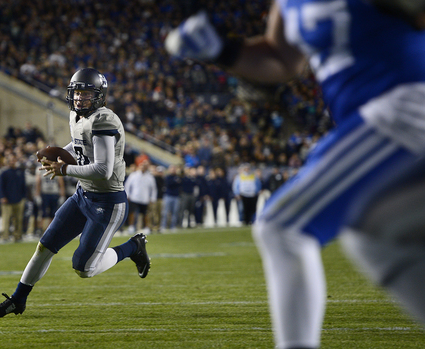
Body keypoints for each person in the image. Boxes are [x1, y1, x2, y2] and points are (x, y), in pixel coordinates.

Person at [166, 3, 425, 349]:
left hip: (407, 102)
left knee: (283, 225)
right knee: (373, 234)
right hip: (373, 115)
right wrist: (222, 50)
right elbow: (282, 60)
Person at [0, 68, 150, 318]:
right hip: (83, 195)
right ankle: (18, 300)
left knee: (84, 268)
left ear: (99, 96)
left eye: (86, 93)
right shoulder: (76, 115)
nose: (80, 98)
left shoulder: (104, 120)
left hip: (107, 201)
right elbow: (79, 143)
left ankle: (133, 247)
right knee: (44, 246)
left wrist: (65, 168)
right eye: (77, 93)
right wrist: (59, 151)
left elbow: (103, 170)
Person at [0, 152, 26, 242]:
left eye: (14, 160)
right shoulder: (4, 173)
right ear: (8, 161)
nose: (13, 161)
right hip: (7, 200)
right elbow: (0, 186)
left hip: (18, 199)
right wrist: (2, 197)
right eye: (11, 160)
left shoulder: (20, 172)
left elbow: (23, 186)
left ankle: (17, 236)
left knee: (18, 219)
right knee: (6, 219)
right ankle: (5, 236)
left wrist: (23, 197)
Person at [124, 160, 157, 234]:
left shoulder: (150, 177)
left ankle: (146, 227)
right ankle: (131, 227)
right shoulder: (134, 175)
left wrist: (152, 198)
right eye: (141, 166)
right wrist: (127, 194)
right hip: (134, 197)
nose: (143, 167)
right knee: (132, 213)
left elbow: (153, 188)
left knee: (145, 214)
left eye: (144, 166)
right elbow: (128, 185)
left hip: (144, 198)